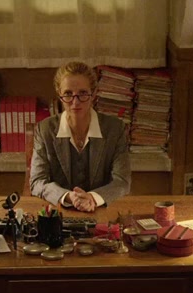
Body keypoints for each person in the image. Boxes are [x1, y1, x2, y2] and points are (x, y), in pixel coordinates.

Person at [29, 61, 131, 212]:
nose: (75, 102)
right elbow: (37, 182)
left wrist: (93, 198)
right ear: (59, 94)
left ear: (93, 94)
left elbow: (122, 182)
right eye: (68, 94)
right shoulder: (44, 130)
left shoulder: (115, 129)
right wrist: (68, 196)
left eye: (83, 93)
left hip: (101, 212)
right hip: (60, 212)